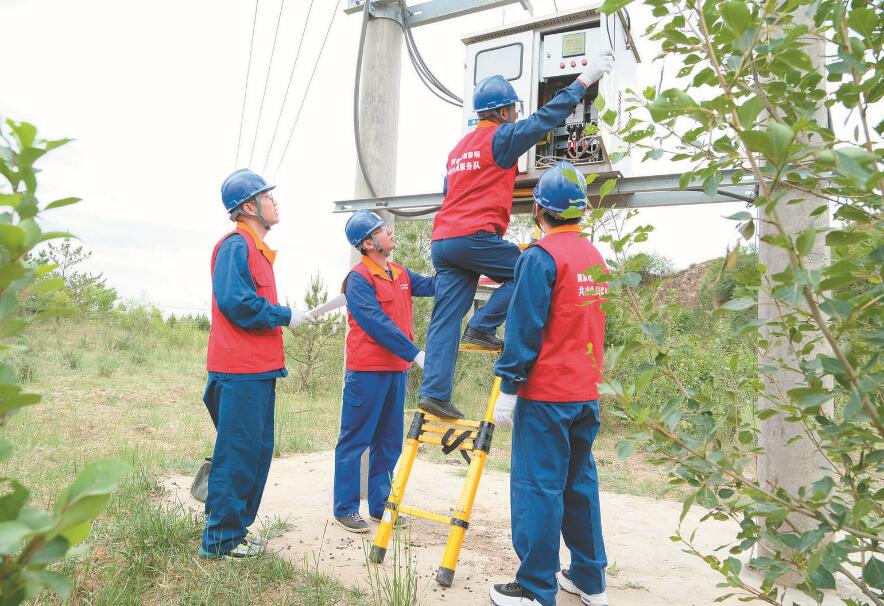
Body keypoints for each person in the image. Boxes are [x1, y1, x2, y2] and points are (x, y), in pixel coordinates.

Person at [418, 51, 615, 420]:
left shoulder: (457, 149)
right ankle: (482, 325)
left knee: (445, 318)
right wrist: (584, 80)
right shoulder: (501, 138)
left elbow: (452, 190)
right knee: (527, 268)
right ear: (505, 111)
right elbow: (544, 120)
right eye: (513, 111)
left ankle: (434, 393)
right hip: (473, 237)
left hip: (443, 241)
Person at [488, 161, 610, 606]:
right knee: (579, 484)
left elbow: (525, 326)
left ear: (539, 208)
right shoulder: (595, 257)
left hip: (545, 395)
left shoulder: (540, 257)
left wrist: (509, 385)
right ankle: (589, 580)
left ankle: (537, 587)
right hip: (585, 391)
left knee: (538, 487)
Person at [200, 168, 313, 559]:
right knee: (237, 454)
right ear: (249, 206)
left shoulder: (258, 250)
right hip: (239, 372)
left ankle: (236, 531)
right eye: (268, 196)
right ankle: (219, 540)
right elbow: (237, 303)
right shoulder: (236, 245)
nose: (275, 202)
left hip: (259, 371)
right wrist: (284, 315)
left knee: (256, 454)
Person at [333, 210, 435, 533]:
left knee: (389, 441)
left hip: (396, 372)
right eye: (381, 229)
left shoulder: (400, 273)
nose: (389, 232)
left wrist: (470, 271)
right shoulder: (358, 280)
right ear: (368, 242)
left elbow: (433, 285)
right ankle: (345, 508)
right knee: (355, 439)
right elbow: (377, 325)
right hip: (366, 373)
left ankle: (380, 505)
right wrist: (416, 353)